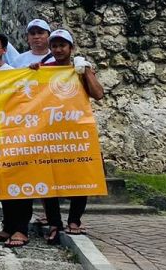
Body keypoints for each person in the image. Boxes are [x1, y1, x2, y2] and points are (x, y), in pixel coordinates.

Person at [35, 29, 104, 243]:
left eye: (62, 45)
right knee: (50, 177)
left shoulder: (80, 69)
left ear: (70, 48)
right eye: (54, 46)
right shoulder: (44, 70)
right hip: (51, 133)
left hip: (77, 132)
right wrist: (32, 72)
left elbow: (98, 94)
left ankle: (74, 220)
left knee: (80, 174)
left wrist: (87, 73)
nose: (57, 49)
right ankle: (55, 222)